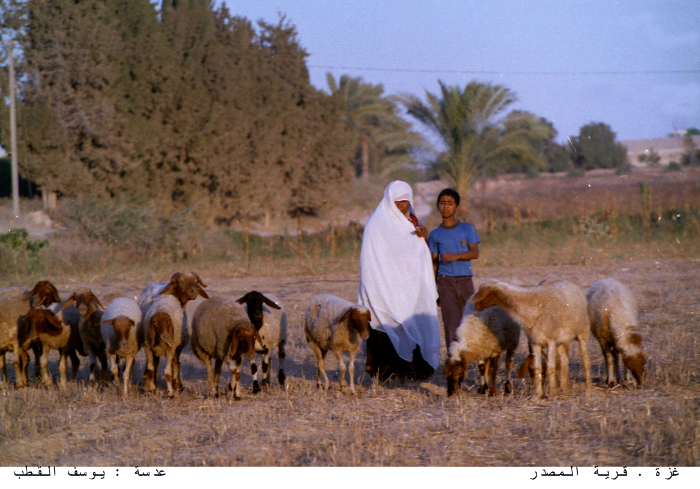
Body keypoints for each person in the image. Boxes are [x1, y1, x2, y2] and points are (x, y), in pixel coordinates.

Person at [359, 181, 440, 379]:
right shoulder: (375, 224)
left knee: (410, 322)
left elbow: (418, 252)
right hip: (381, 285)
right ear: (388, 201)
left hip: (406, 286)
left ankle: (415, 371)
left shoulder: (412, 221)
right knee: (384, 324)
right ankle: (384, 374)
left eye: (404, 202)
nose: (400, 205)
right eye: (396, 202)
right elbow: (370, 259)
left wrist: (422, 238)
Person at [428, 188, 480, 349]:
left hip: (465, 280)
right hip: (445, 281)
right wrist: (434, 287)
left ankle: (472, 354)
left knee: (471, 319)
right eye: (442, 203)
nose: (446, 207)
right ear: (438, 206)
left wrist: (455, 256)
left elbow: (475, 253)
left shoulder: (467, 229)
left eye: (450, 203)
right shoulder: (435, 234)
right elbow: (433, 263)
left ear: (457, 207)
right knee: (451, 322)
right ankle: (453, 359)